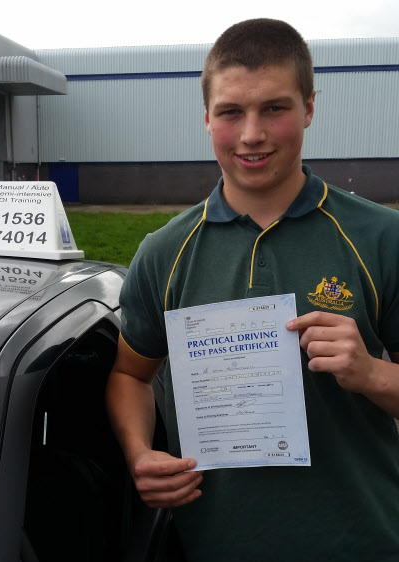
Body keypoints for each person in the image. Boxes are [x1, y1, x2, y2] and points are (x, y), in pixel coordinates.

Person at [106, 18, 399, 560]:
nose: (251, 135)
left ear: (310, 107)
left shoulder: (380, 238)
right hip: (217, 544)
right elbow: (130, 374)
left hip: (364, 540)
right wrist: (137, 452)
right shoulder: (165, 252)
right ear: (207, 117)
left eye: (275, 108)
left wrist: (372, 372)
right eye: (231, 112)